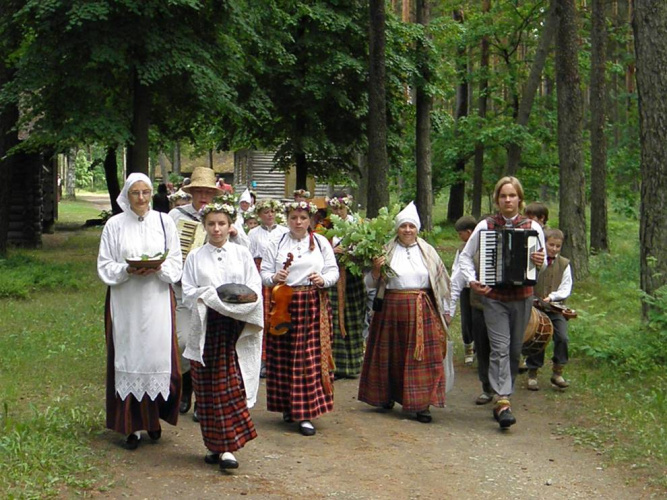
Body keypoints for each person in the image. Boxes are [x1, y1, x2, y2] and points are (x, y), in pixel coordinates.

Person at [97, 173, 183, 450]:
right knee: (130, 355)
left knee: (157, 357)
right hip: (126, 300)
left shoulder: (164, 221)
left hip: (157, 298)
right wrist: (127, 269)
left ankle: (154, 419)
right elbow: (105, 264)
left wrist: (159, 268)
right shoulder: (114, 225)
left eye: (146, 192)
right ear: (127, 195)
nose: (142, 198)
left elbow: (176, 260)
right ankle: (130, 426)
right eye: (136, 193)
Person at [458, 176, 546, 429]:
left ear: (520, 198)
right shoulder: (486, 226)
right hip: (494, 298)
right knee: (499, 347)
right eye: (503, 196)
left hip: (522, 297)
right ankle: (503, 399)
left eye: (512, 195)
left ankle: (502, 392)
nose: (508, 200)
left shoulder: (533, 227)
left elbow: (543, 262)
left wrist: (540, 261)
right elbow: (465, 257)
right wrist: (473, 280)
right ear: (497, 200)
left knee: (514, 349)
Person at [181, 202, 263, 471]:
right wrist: (213, 297)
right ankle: (213, 445)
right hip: (206, 327)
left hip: (235, 328)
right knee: (207, 387)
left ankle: (228, 447)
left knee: (229, 385)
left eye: (222, 224)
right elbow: (188, 291)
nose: (217, 229)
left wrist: (233, 303)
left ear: (230, 226)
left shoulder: (241, 254)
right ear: (204, 226)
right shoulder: (195, 257)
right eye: (211, 224)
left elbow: (254, 288)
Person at [358, 202, 451, 424]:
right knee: (389, 355)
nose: (407, 230)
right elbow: (370, 284)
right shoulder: (385, 250)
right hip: (390, 308)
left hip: (421, 309)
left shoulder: (428, 251)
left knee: (421, 357)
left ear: (417, 228)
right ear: (397, 229)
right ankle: (386, 395)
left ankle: (421, 404)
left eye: (411, 226)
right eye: (403, 226)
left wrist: (446, 311)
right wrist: (376, 270)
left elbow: (441, 282)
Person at [169, 167, 248, 421]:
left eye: (207, 192)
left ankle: (204, 400)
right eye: (199, 191)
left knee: (212, 347)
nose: (203, 196)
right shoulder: (176, 216)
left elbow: (247, 251)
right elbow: (168, 249)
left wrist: (235, 233)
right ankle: (186, 387)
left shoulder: (226, 216)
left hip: (220, 298)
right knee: (183, 342)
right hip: (186, 291)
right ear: (191, 192)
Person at [260, 200, 339, 437]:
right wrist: (275, 276)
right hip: (284, 302)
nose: (298, 222)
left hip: (312, 303)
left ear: (310, 220)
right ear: (287, 218)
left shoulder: (321, 242)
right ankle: (288, 405)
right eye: (294, 217)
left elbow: (333, 271)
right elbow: (263, 273)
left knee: (308, 358)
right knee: (283, 356)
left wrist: (323, 280)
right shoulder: (276, 241)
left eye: (303, 218)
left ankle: (305, 413)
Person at [326, 193, 367, 379]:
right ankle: (334, 364)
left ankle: (352, 365)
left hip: (353, 278)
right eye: (334, 208)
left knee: (353, 317)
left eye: (341, 208)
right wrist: (331, 250)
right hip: (333, 278)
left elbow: (366, 249)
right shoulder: (325, 227)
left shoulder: (357, 225)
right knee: (333, 318)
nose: (338, 212)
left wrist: (352, 252)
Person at [526, 228, 573, 391]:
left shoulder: (564, 264)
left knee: (562, 337)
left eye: (557, 246)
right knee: (538, 337)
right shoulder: (535, 261)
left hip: (555, 309)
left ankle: (558, 371)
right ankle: (532, 372)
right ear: (544, 244)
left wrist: (552, 297)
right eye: (551, 245)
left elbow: (566, 287)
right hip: (536, 309)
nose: (554, 249)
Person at [248, 199, 289, 377]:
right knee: (263, 316)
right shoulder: (253, 233)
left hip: (279, 272)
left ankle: (278, 358)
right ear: (259, 215)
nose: (269, 215)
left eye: (272, 211)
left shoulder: (284, 232)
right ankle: (262, 360)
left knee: (279, 313)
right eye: (265, 212)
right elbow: (249, 256)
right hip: (259, 273)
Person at [448, 215, 478, 366]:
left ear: (469, 231)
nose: (460, 237)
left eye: (461, 234)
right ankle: (468, 347)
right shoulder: (461, 250)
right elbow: (456, 271)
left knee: (479, 320)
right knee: (467, 320)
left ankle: (480, 348)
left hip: (480, 290)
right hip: (466, 289)